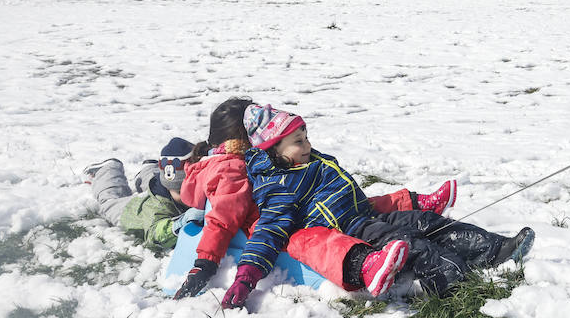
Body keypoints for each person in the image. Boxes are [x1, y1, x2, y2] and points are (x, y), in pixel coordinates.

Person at [221, 104, 535, 309]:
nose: (308, 146)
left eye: (306, 137)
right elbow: (268, 232)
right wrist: (245, 277)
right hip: (352, 228)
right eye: (298, 142)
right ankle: (454, 281)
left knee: (426, 221)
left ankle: (498, 249)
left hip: (366, 213)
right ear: (273, 150)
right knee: (413, 245)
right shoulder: (277, 186)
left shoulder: (304, 160)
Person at [173, 97, 458, 303]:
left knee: (351, 205)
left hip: (286, 211)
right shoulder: (232, 167)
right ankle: (367, 262)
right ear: (243, 138)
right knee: (322, 236)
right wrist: (206, 263)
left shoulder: (235, 160)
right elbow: (221, 218)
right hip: (277, 227)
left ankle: (415, 203)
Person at [83, 138, 201, 250]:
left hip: (158, 181)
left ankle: (148, 168)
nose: (188, 195)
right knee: (109, 201)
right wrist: (178, 224)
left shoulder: (169, 180)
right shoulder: (155, 207)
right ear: (168, 188)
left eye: (193, 188)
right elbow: (154, 233)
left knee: (154, 180)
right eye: (180, 192)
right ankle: (108, 169)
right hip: (131, 210)